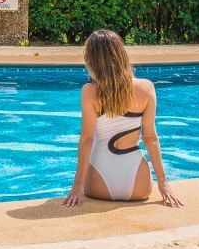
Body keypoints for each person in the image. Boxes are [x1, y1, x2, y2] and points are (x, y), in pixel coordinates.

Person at [63, 29, 183, 208]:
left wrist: (78, 186)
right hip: (137, 185)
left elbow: (87, 140)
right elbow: (150, 138)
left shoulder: (89, 92)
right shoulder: (146, 88)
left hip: (98, 185)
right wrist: (163, 183)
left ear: (92, 61)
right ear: (122, 55)